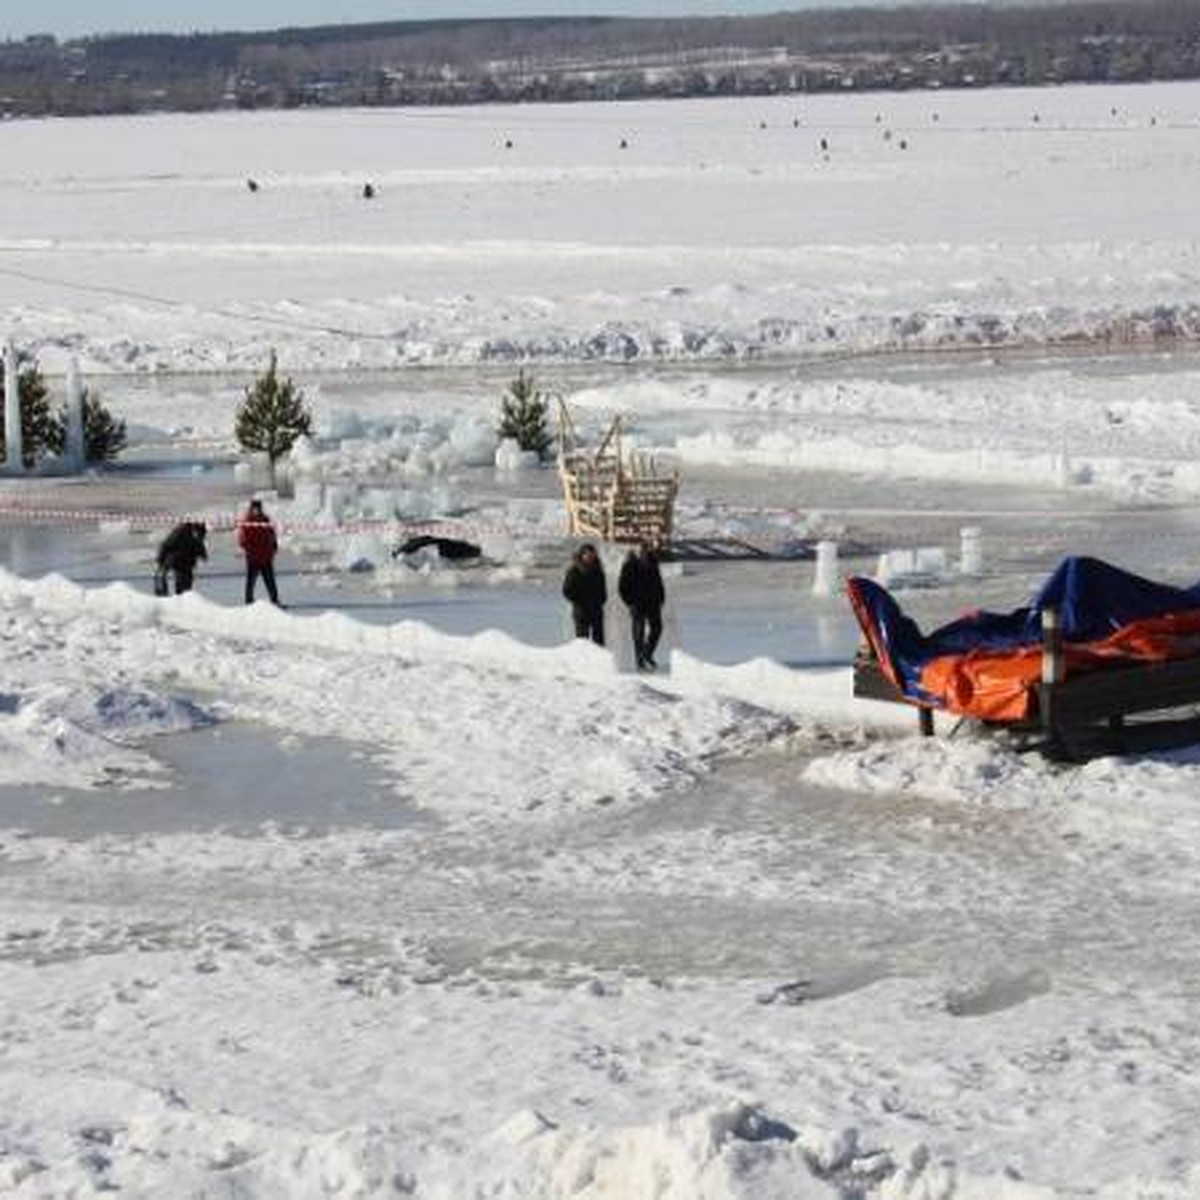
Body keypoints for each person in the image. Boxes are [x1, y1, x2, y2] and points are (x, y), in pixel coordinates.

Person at [618, 541, 666, 670]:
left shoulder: (653, 562)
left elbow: (658, 582)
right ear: (637, 552)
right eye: (642, 550)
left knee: (657, 629)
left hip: (653, 603)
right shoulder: (629, 565)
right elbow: (622, 586)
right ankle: (639, 660)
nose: (644, 552)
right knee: (638, 633)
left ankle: (647, 653)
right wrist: (629, 602)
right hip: (637, 604)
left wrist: (661, 598)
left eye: (646, 550)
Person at [236, 498, 280, 605]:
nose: (256, 511)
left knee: (270, 580)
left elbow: (272, 535)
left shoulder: (265, 520)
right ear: (251, 509)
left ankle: (274, 600)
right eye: (254, 509)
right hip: (253, 557)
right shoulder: (247, 522)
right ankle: (248, 600)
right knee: (251, 581)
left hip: (265, 556)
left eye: (258, 508)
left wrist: (274, 547)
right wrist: (248, 548)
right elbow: (242, 540)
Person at [562, 543, 607, 645]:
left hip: (596, 610)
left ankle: (599, 660)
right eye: (588, 555)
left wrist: (602, 600)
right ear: (582, 555)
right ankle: (583, 660)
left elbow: (603, 589)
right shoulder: (574, 570)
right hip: (581, 611)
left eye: (593, 555)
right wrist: (578, 601)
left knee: (599, 641)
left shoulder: (598, 570)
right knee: (582, 641)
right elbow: (566, 590)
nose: (591, 557)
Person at [155, 520, 207, 596]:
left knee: (187, 584)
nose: (199, 539)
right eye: (198, 536)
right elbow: (166, 544)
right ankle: (171, 596)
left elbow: (200, 546)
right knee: (175, 579)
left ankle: (185, 596)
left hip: (187, 562)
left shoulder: (197, 537)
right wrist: (160, 559)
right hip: (175, 559)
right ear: (195, 531)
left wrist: (203, 555)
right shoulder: (180, 531)